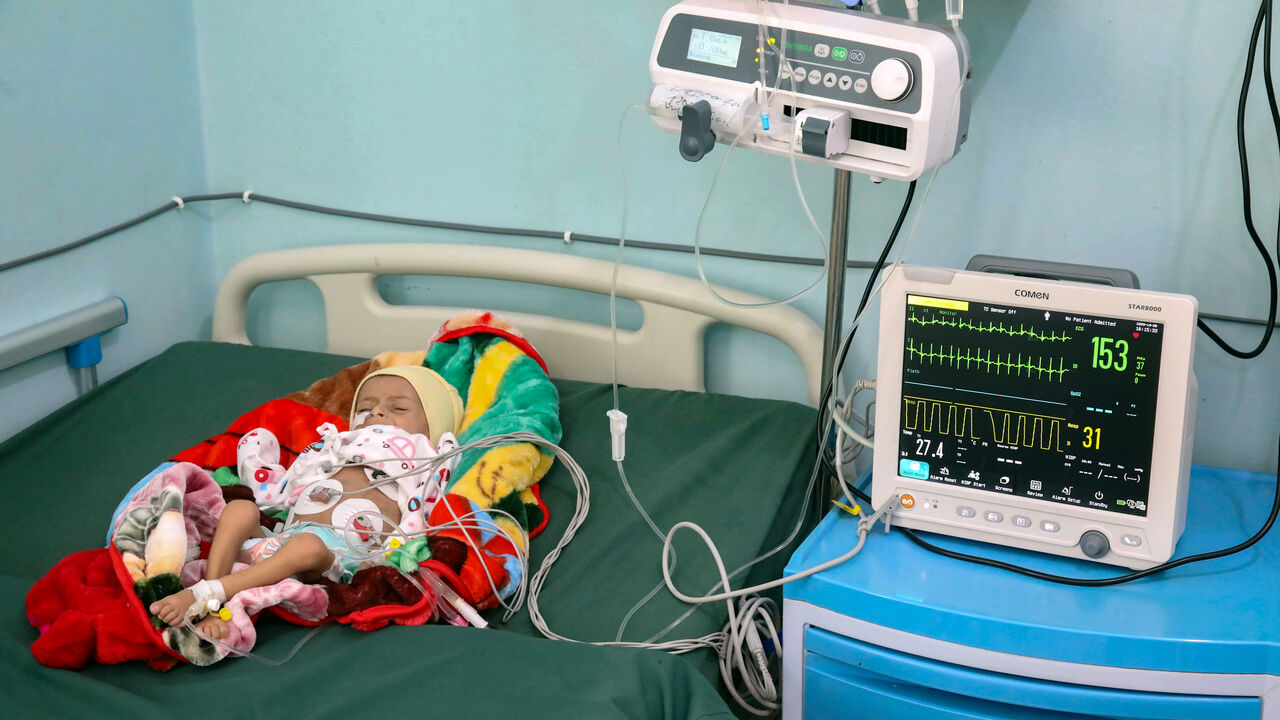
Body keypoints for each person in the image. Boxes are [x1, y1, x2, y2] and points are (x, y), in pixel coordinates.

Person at [149, 366, 464, 639]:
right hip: (281, 539)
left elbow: (426, 508)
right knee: (240, 509)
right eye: (366, 407)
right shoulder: (332, 447)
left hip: (335, 558)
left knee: (309, 546)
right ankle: (213, 600)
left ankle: (209, 593)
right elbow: (283, 490)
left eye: (398, 408)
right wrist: (261, 463)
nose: (377, 413)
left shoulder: (426, 458)